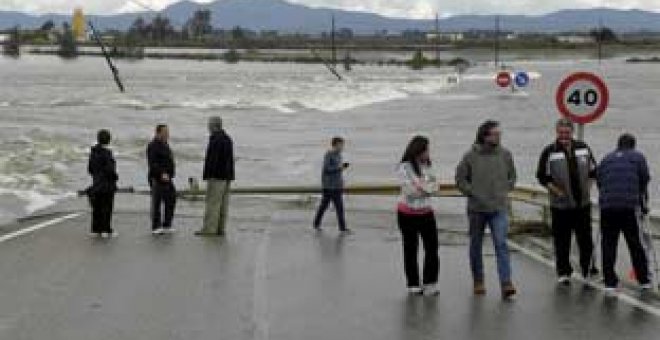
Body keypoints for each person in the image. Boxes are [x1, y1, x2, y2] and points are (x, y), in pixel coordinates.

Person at [456, 120, 517, 299]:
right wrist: (472, 193)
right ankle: (478, 281)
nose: (498, 137)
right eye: (495, 134)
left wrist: (504, 190)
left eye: (500, 134)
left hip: (499, 208)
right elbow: (460, 179)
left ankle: (506, 283)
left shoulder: (506, 154)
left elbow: (512, 176)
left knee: (501, 244)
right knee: (476, 245)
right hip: (477, 209)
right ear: (485, 135)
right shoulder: (470, 156)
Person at [536, 118, 598, 285]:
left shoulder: (583, 148)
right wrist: (557, 191)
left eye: (567, 132)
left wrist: (588, 188)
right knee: (562, 240)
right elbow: (542, 177)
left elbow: (593, 171)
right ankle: (563, 272)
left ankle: (588, 269)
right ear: (557, 132)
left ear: (572, 132)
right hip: (560, 206)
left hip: (582, 204)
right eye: (561, 132)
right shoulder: (549, 151)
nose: (564, 135)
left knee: (585, 239)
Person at [596, 133, 652, 294]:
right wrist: (641, 200)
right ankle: (643, 280)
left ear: (618, 145)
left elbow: (600, 180)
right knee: (634, 243)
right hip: (628, 206)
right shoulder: (638, 157)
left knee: (608, 244)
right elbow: (645, 178)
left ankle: (610, 283)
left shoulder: (606, 158)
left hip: (607, 207)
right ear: (633, 145)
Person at [396, 136, 440, 296]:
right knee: (410, 248)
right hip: (406, 214)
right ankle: (413, 284)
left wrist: (422, 187)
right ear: (418, 150)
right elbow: (410, 192)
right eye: (426, 149)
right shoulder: (404, 167)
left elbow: (436, 186)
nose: (429, 152)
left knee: (432, 248)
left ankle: (430, 282)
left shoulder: (428, 166)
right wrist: (424, 187)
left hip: (426, 213)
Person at [196, 117, 235, 237]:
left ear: (213, 126)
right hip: (227, 176)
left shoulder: (215, 139)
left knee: (212, 203)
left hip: (216, 177)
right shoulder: (227, 138)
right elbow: (230, 160)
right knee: (223, 204)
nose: (208, 127)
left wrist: (209, 175)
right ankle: (220, 228)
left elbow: (213, 160)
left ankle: (209, 229)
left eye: (209, 125)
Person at [313, 137, 350, 233]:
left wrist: (342, 173)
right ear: (335, 145)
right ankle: (316, 224)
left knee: (339, 207)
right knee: (324, 206)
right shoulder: (329, 154)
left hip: (337, 186)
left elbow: (338, 170)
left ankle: (342, 228)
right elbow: (327, 169)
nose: (342, 147)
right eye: (341, 144)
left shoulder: (339, 155)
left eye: (342, 145)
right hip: (329, 186)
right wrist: (340, 167)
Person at [87, 129, 119, 238]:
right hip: (107, 184)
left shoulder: (93, 152)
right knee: (107, 207)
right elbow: (110, 170)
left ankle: (95, 229)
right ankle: (106, 229)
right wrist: (115, 177)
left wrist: (96, 177)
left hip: (96, 183)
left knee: (97, 207)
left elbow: (90, 169)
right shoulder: (107, 153)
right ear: (108, 140)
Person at [147, 124, 176, 235]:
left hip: (168, 177)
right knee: (156, 202)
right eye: (165, 132)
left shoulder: (165, 144)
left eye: (168, 132)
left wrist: (170, 173)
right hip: (157, 178)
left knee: (171, 199)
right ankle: (156, 226)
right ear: (158, 133)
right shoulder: (153, 145)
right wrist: (161, 173)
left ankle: (167, 224)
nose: (167, 134)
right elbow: (152, 163)